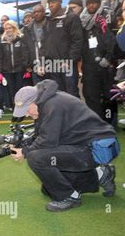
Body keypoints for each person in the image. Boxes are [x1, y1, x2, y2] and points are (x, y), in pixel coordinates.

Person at [10, 80, 119, 212]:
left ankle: (69, 197)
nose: (26, 114)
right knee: (48, 188)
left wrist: (25, 152)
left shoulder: (52, 105)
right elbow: (44, 135)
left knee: (35, 158)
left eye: (27, 109)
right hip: (85, 144)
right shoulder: (47, 101)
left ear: (34, 102)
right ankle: (102, 174)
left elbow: (48, 141)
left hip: (98, 148)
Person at [79, 0, 116, 119]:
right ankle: (96, 122)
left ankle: (110, 122)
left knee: (108, 95)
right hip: (89, 64)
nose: (91, 5)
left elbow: (112, 39)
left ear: (99, 3)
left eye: (94, 2)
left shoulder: (107, 16)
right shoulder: (81, 19)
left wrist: (109, 58)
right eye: (89, 3)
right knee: (90, 95)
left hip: (106, 63)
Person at [42, 0, 84, 96]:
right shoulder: (47, 21)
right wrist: (44, 61)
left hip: (67, 64)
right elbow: (44, 43)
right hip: (53, 65)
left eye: (53, 2)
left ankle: (75, 113)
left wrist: (70, 60)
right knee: (58, 95)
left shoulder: (71, 18)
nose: (50, 5)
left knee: (71, 94)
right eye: (49, 3)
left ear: (60, 3)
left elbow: (78, 41)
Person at [0, 20, 30, 108]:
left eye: (10, 28)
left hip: (20, 69)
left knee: (20, 89)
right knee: (11, 90)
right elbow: (0, 57)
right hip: (7, 70)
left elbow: (25, 53)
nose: (8, 30)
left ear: (14, 28)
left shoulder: (21, 38)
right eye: (6, 28)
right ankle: (15, 107)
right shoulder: (2, 40)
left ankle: (22, 106)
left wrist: (26, 67)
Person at [22, 4, 46, 85]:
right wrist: (27, 64)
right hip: (35, 63)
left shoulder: (50, 23)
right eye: (34, 12)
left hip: (50, 63)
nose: (36, 14)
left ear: (44, 12)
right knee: (38, 90)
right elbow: (25, 48)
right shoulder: (27, 29)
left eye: (38, 11)